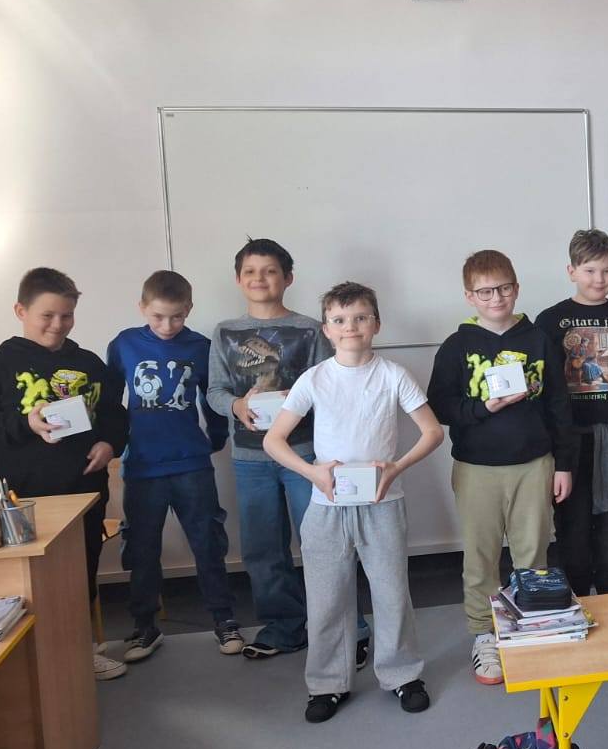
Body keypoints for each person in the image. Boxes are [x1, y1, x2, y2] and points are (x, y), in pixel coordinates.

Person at [264, 282, 443, 722]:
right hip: (326, 508)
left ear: (376, 324)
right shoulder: (315, 378)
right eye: (340, 320)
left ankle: (402, 674)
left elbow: (432, 432)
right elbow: (274, 440)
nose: (351, 327)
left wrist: (396, 468)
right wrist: (313, 472)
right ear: (326, 328)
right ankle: (328, 683)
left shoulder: (393, 375)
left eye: (361, 318)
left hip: (383, 504)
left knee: (391, 593)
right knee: (327, 599)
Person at [0, 267, 130, 680]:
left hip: (85, 491)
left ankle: (80, 653)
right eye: (47, 315)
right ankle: (36, 663)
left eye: (66, 315)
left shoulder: (88, 363)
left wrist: (110, 444)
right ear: (21, 311)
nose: (58, 324)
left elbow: (114, 415)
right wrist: (25, 424)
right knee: (32, 582)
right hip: (25, 499)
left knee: (81, 572)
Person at [206, 238, 368, 661]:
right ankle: (284, 627)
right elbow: (215, 392)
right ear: (238, 279)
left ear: (288, 278)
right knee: (262, 548)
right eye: (250, 271)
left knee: (326, 544)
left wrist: (295, 405)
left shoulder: (311, 329)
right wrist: (237, 405)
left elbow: (331, 385)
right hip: (249, 459)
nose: (259, 278)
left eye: (270, 271)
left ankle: (350, 629)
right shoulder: (224, 332)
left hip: (305, 455)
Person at [428, 250, 575, 685]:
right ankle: (484, 634)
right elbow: (440, 405)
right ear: (469, 296)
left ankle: (529, 626)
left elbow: (559, 407)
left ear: (516, 288)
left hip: (534, 464)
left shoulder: (538, 340)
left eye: (504, 288)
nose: (496, 298)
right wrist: (483, 408)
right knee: (481, 556)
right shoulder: (457, 346)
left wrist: (563, 465)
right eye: (486, 291)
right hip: (477, 468)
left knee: (533, 553)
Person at [106, 269, 239, 663]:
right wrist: (112, 444)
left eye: (177, 316)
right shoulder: (124, 345)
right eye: (158, 317)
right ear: (142, 308)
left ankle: (225, 620)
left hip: (191, 465)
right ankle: (144, 626)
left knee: (208, 543)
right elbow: (110, 404)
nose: (167, 326)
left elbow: (212, 399)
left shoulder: (200, 346)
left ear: (189, 309)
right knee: (142, 549)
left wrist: (217, 438)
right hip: (142, 467)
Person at [535, 229, 608, 596]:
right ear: (571, 271)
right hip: (570, 441)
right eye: (590, 271)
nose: (599, 279)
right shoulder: (550, 321)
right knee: (573, 524)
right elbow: (543, 389)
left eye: (607, 271)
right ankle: (579, 599)